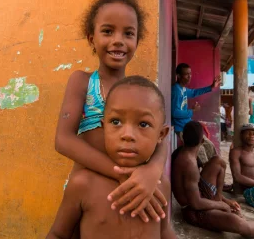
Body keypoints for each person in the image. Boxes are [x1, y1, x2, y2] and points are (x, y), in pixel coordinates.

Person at [54, 0, 167, 228]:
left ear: (137, 40)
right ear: (91, 38)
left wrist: (153, 170)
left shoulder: (140, 92)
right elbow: (63, 139)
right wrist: (123, 174)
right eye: (108, 31)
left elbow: (162, 134)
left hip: (131, 188)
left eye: (128, 33)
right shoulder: (82, 82)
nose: (118, 40)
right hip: (86, 190)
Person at [47, 76, 176, 239]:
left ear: (161, 134)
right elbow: (58, 235)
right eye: (116, 122)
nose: (127, 135)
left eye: (143, 124)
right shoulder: (83, 185)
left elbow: (164, 231)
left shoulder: (159, 184)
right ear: (103, 128)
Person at [171, 121, 254, 239]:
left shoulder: (185, 153)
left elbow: (196, 188)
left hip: (198, 197)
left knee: (218, 161)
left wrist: (223, 200)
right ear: (202, 141)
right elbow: (195, 203)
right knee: (241, 225)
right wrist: (222, 206)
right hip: (193, 211)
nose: (251, 136)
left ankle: (219, 202)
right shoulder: (189, 163)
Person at [171, 63, 221, 139]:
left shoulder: (183, 88)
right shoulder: (176, 90)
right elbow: (175, 113)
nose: (189, 76)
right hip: (181, 128)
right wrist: (192, 111)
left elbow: (194, 92)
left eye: (190, 74)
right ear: (178, 76)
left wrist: (211, 87)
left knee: (207, 144)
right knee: (202, 147)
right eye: (186, 74)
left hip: (187, 124)